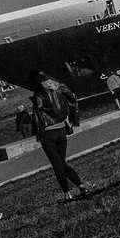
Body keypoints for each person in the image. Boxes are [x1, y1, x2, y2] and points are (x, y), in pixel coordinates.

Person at [29, 71, 91, 201]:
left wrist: (37, 132)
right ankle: (81, 186)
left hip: (48, 132)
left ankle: (67, 193)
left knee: (57, 165)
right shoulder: (61, 88)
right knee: (61, 163)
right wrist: (74, 120)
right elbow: (73, 102)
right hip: (62, 129)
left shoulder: (40, 93)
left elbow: (37, 115)